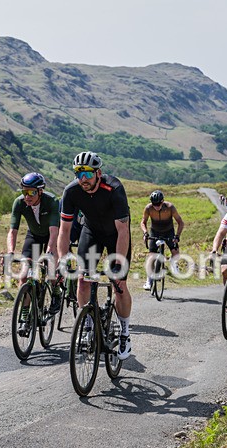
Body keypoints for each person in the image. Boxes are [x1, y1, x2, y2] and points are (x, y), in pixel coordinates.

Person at [57, 151, 132, 360]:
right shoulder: (71, 191)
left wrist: (118, 263)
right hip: (91, 232)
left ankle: (125, 331)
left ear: (98, 173)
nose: (83, 180)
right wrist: (63, 259)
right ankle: (88, 325)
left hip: (116, 234)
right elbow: (64, 230)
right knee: (82, 280)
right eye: (78, 175)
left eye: (87, 175)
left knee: (120, 285)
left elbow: (123, 231)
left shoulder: (114, 189)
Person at [6, 172, 61, 315]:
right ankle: (24, 312)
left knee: (51, 263)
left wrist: (49, 251)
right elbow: (13, 231)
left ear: (40, 191)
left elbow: (54, 231)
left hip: (51, 234)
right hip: (34, 236)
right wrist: (10, 252)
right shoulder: (19, 203)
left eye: (31, 192)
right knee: (24, 274)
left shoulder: (51, 201)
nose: (27, 196)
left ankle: (55, 291)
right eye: (24, 192)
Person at [139, 190, 184, 290]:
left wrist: (177, 236)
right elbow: (143, 222)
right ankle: (148, 281)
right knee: (151, 256)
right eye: (154, 204)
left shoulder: (170, 207)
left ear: (162, 201)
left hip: (169, 231)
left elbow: (180, 222)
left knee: (175, 251)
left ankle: (174, 263)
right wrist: (145, 233)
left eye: (158, 204)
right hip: (155, 231)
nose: (156, 206)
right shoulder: (148, 208)